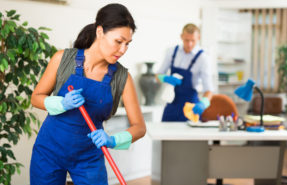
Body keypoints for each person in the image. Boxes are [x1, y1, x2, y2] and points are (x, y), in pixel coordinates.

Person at [30, 3, 146, 185]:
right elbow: (36, 98)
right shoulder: (62, 59)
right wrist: (61, 104)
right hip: (49, 152)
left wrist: (113, 140)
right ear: (100, 32)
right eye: (118, 41)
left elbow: (139, 127)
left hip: (89, 157)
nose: (123, 50)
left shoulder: (123, 78)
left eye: (127, 44)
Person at [157, 23, 213, 122]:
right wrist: (165, 78)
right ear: (181, 36)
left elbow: (209, 90)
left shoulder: (203, 58)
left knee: (189, 137)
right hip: (172, 104)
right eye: (187, 40)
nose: (189, 44)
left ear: (198, 38)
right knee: (166, 135)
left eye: (193, 40)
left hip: (191, 106)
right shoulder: (171, 52)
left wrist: (203, 104)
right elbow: (157, 76)